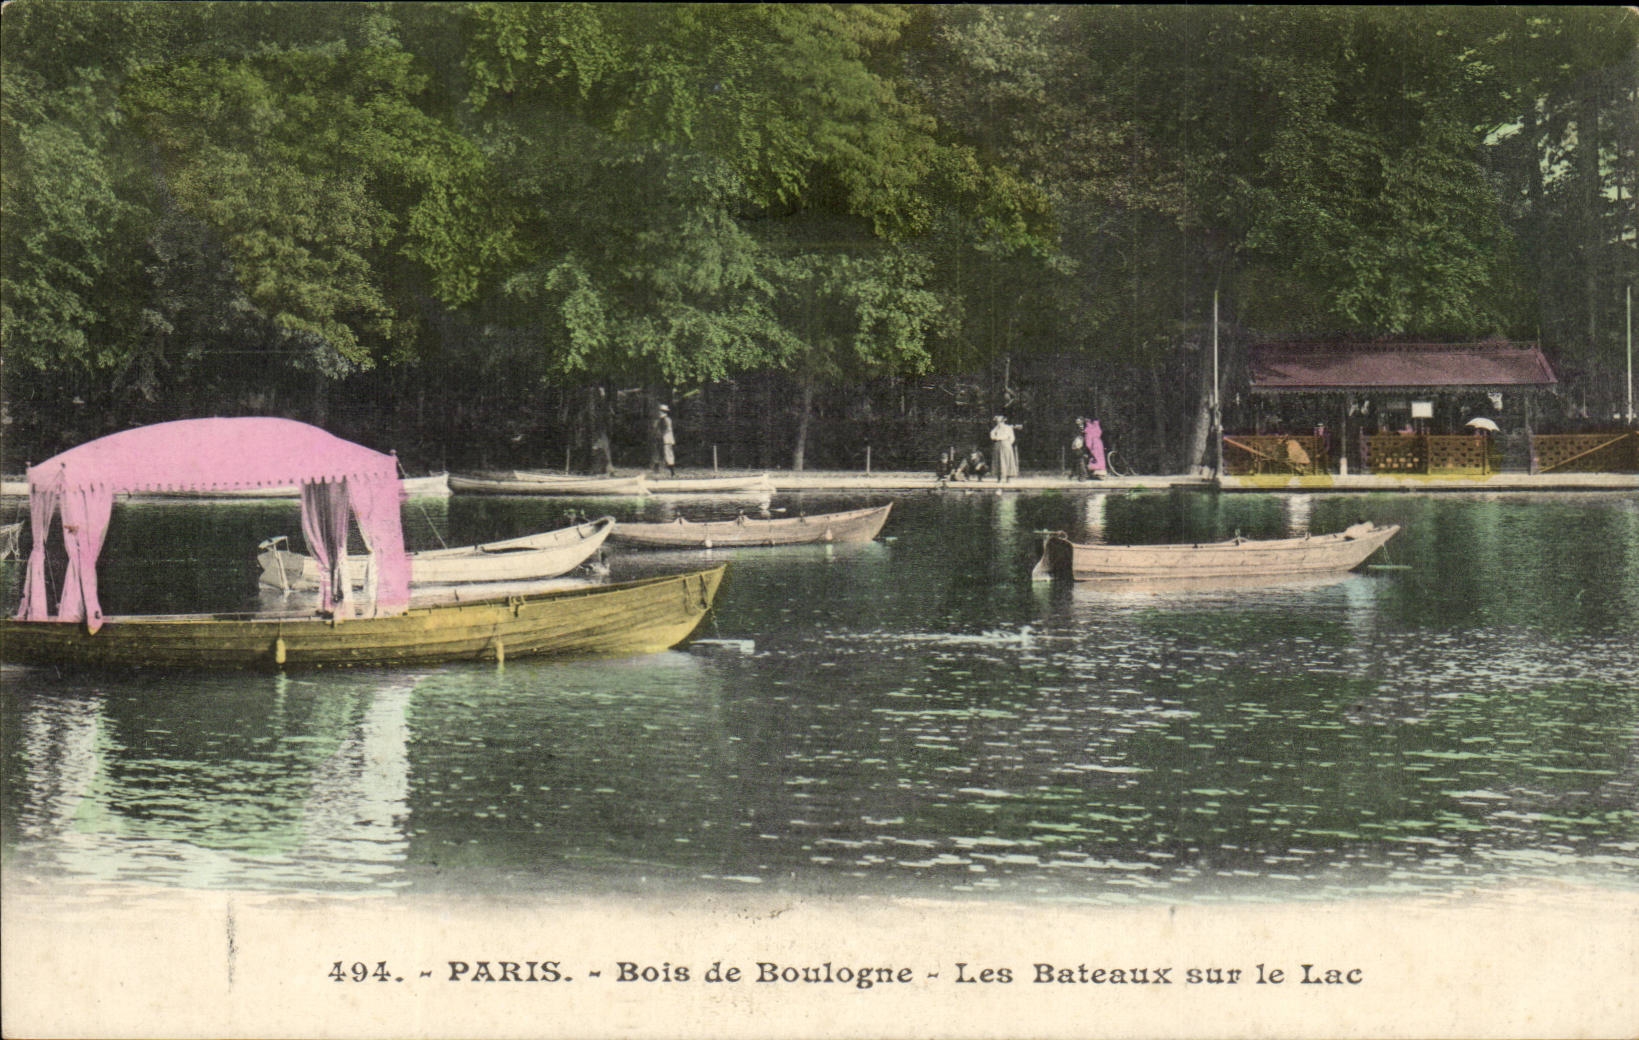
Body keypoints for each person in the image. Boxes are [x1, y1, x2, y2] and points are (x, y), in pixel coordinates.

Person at [989, 414, 1020, 482]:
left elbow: (1012, 437)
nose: (999, 422)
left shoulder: (1008, 428)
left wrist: (1008, 444)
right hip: (998, 444)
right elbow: (992, 435)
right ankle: (999, 477)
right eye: (997, 421)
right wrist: (996, 437)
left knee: (1007, 460)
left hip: (1006, 444)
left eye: (1000, 421)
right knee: (998, 460)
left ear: (1003, 421)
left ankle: (1008, 477)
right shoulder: (995, 428)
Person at [650, 404, 676, 477]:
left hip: (666, 439)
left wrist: (659, 435)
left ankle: (672, 472)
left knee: (667, 454)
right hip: (662, 439)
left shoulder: (665, 420)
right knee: (659, 453)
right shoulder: (662, 420)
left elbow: (665, 430)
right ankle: (657, 471)